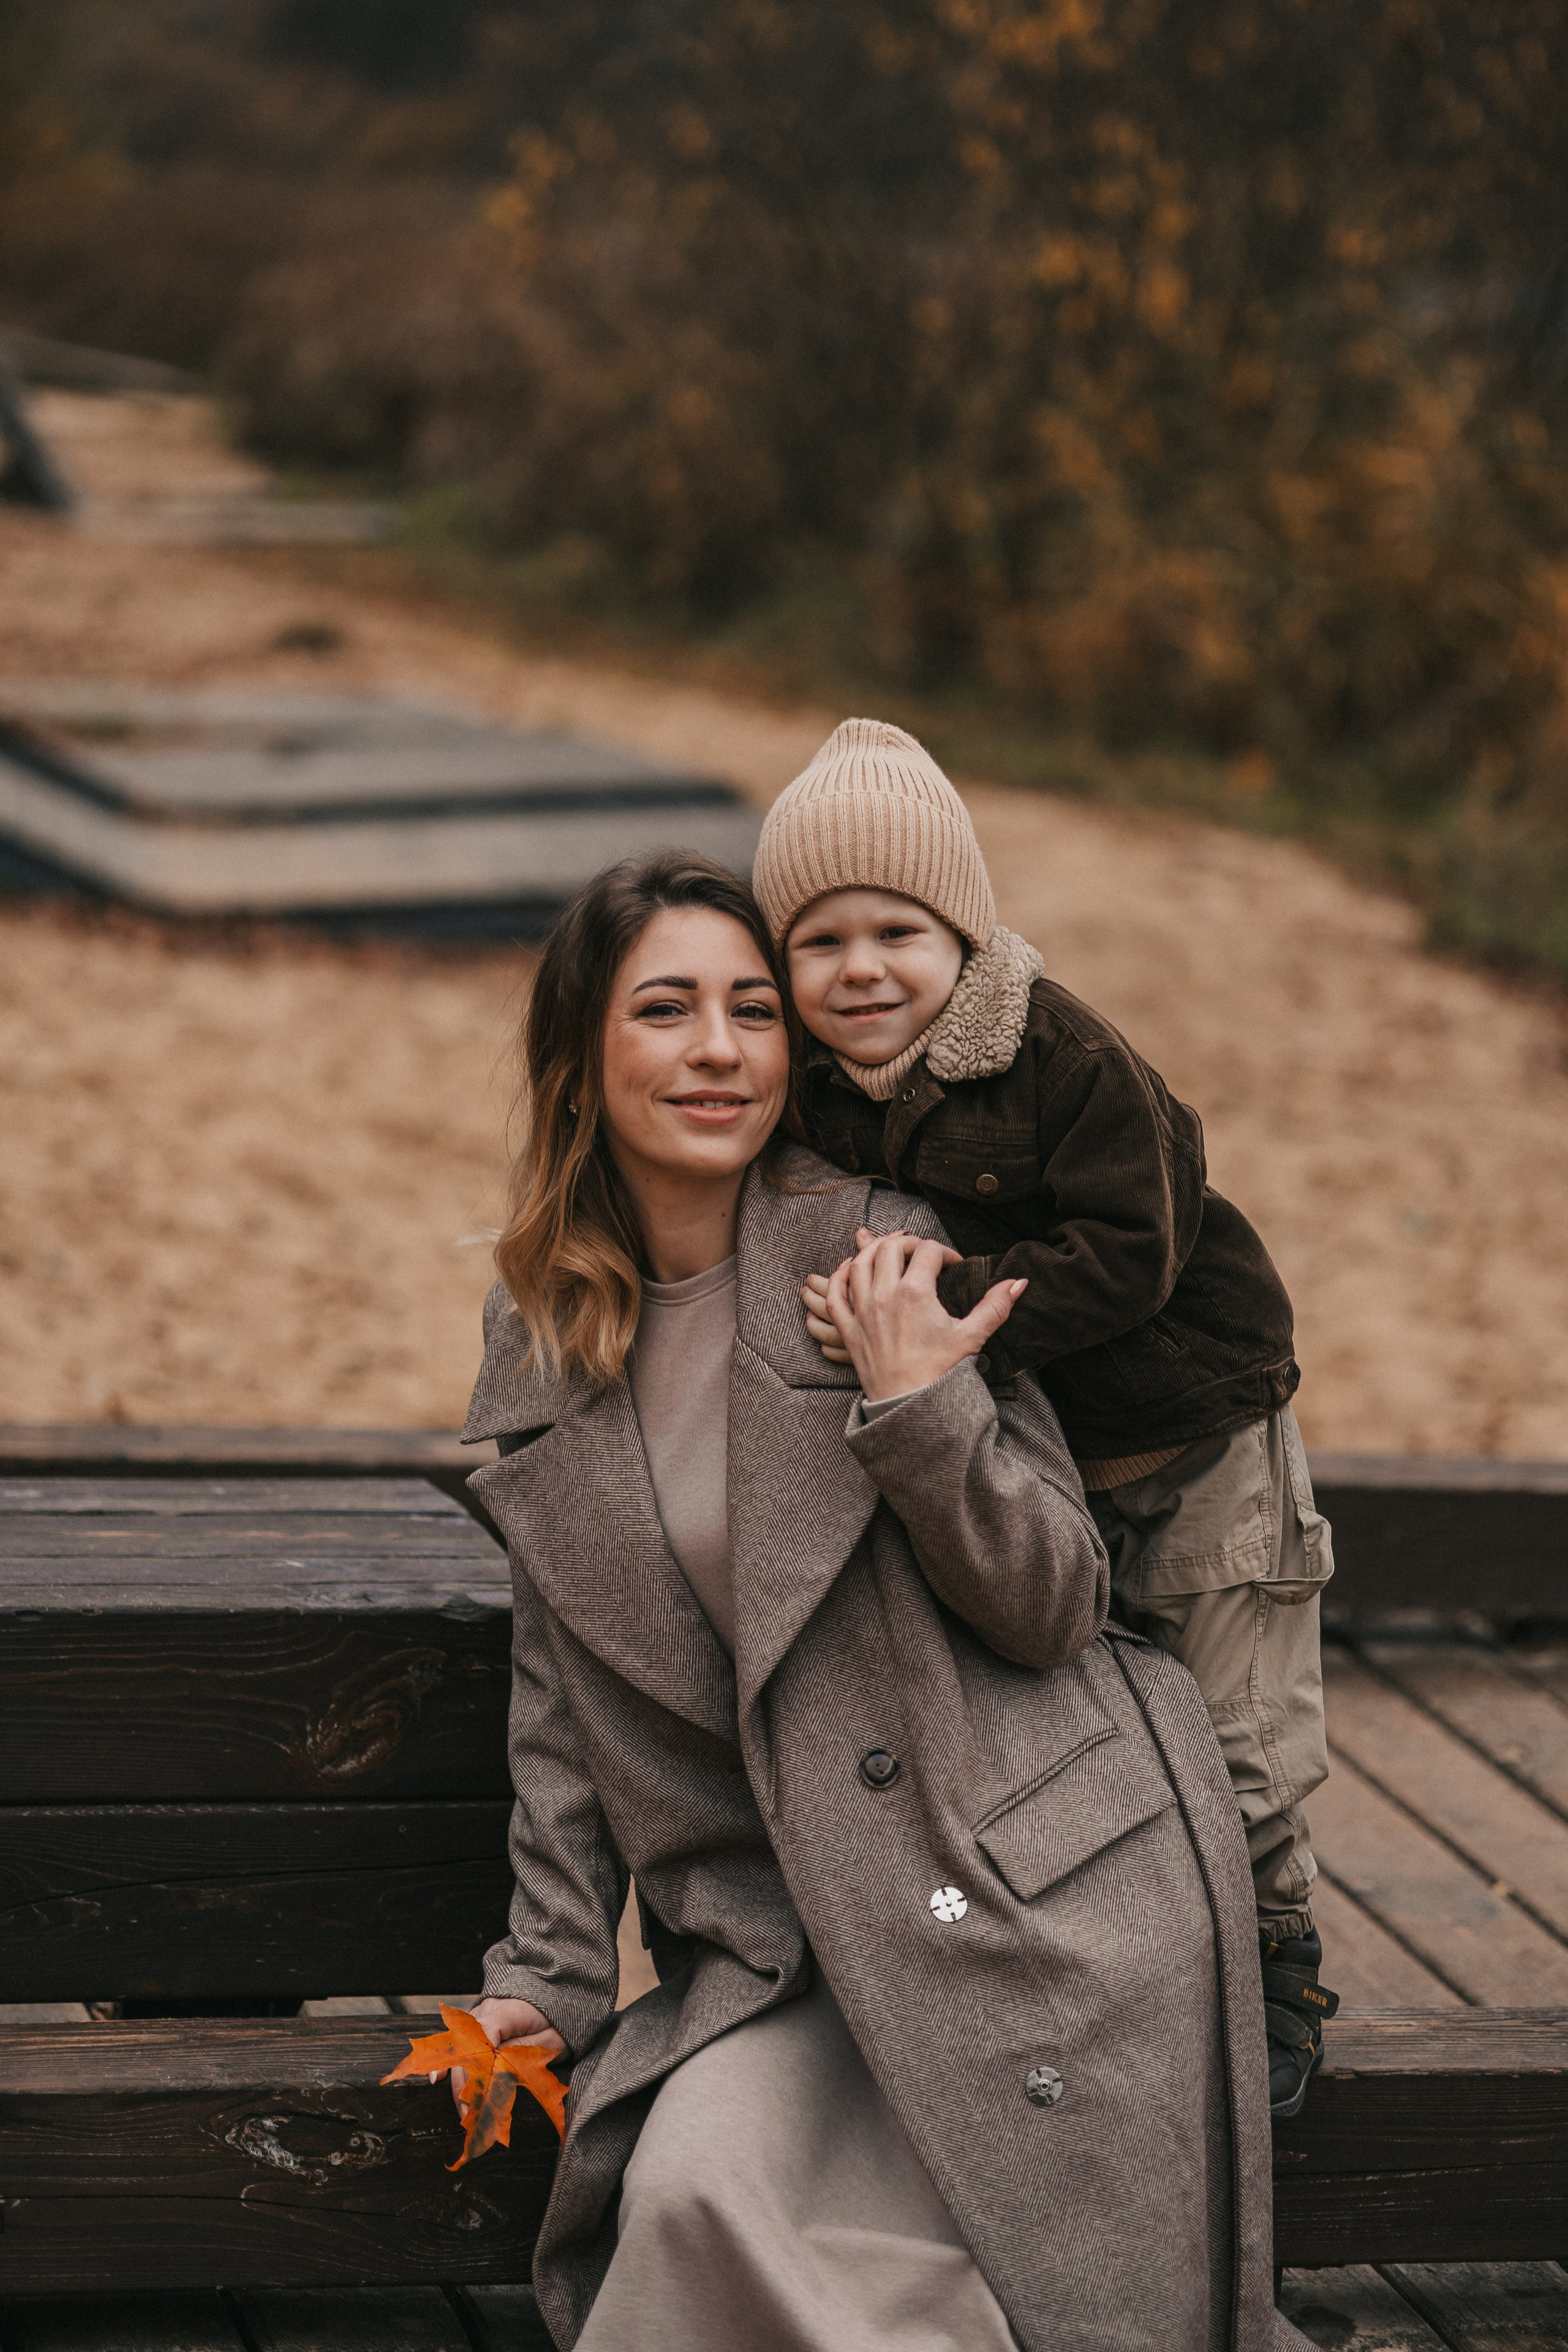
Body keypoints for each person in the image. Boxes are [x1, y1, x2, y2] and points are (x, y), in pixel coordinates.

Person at [458, 847, 1312, 2351]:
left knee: (1000, 2256)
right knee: (691, 2198)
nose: (719, 1050)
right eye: (664, 1010)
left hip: (1001, 1887)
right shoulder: (543, 1336)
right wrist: (547, 1972)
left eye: (749, 1010)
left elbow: (1056, 1604)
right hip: (781, 1947)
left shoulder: (885, 1246)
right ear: (582, 1064)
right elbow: (561, 1696)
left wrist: (927, 1409)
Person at [753, 718, 1338, 2119]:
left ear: (960, 932)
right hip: (1065, 1450)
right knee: (1095, 1712)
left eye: (895, 929)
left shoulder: (1056, 1053)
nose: (859, 969)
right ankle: (1134, 1952)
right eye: (819, 942)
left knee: (1234, 1713)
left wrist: (948, 1309)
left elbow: (1131, 1251)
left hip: (1200, 1428)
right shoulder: (825, 1091)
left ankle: (1276, 1955)